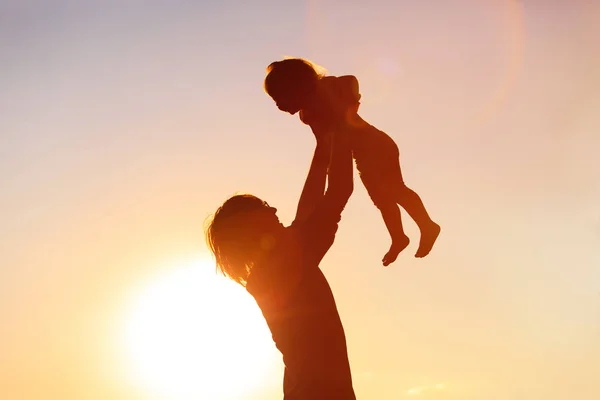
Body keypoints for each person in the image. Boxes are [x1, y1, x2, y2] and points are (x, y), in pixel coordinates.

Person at [205, 126, 356, 399]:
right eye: (264, 208)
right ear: (251, 227)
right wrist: (342, 125)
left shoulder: (273, 264)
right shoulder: (284, 261)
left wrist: (323, 145)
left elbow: (307, 209)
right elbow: (339, 191)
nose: (273, 209)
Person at [264, 57, 441, 266]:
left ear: (298, 87)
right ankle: (399, 237)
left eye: (280, 97)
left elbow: (349, 81)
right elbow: (322, 146)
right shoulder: (309, 114)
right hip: (362, 157)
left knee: (394, 190)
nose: (278, 105)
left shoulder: (326, 90)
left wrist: (348, 102)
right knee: (381, 198)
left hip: (379, 147)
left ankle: (427, 225)